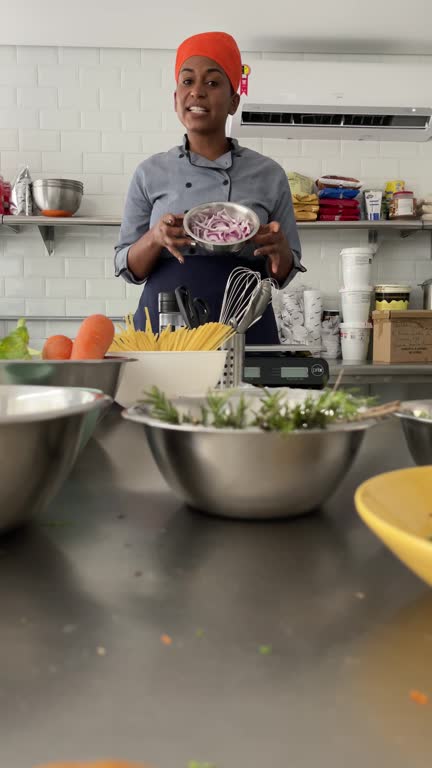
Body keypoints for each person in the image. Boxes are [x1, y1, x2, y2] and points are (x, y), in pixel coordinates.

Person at [114, 31, 305, 343]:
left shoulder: (269, 174)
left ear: (233, 101)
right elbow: (128, 267)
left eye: (213, 82)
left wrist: (280, 251)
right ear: (176, 99)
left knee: (251, 394)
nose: (197, 92)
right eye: (187, 82)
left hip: (246, 322)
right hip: (166, 326)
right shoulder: (150, 172)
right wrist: (155, 238)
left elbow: (283, 273)